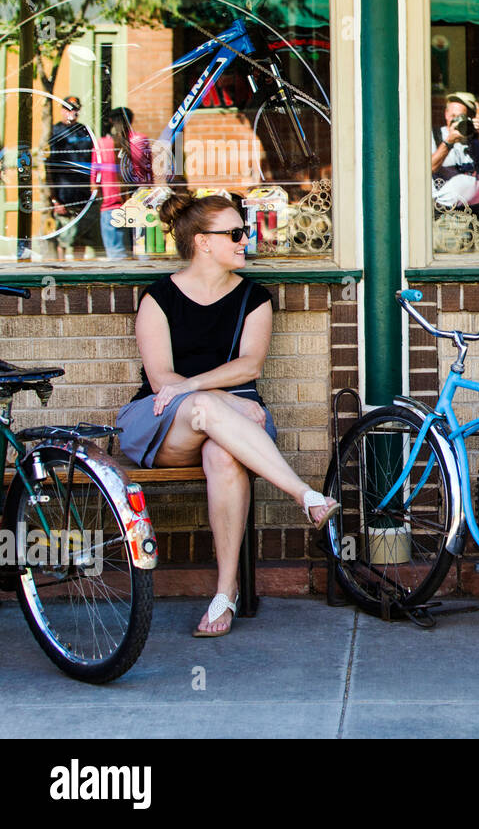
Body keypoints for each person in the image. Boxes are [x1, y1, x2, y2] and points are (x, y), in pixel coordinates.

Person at [115, 193, 339, 637]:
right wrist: (224, 398)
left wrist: (208, 390)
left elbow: (249, 366)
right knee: (201, 408)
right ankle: (303, 495)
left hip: (237, 427)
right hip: (165, 423)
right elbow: (162, 380)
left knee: (222, 454)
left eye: (246, 231)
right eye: (235, 233)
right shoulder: (158, 298)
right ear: (202, 242)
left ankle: (225, 593)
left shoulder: (253, 298)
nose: (245, 240)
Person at [432, 91, 479, 251]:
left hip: (476, 217)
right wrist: (449, 142)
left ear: (471, 118)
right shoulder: (435, 136)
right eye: (452, 114)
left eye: (460, 116)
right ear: (446, 114)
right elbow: (429, 168)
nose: (454, 120)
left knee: (478, 268)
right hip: (447, 217)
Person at [44, 95, 100, 258]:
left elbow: (95, 160)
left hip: (83, 194)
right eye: (68, 109)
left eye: (75, 109)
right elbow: (48, 167)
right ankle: (62, 275)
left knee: (81, 239)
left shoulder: (85, 131)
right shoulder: (55, 131)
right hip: (63, 194)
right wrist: (54, 199)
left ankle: (78, 274)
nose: (72, 112)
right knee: (64, 238)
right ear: (62, 110)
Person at [93, 107, 151, 260]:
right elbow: (148, 174)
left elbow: (95, 178)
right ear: (131, 121)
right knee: (143, 257)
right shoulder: (141, 140)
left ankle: (122, 285)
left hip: (111, 204)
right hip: (138, 203)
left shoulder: (101, 144)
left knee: (116, 258)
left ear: (111, 121)